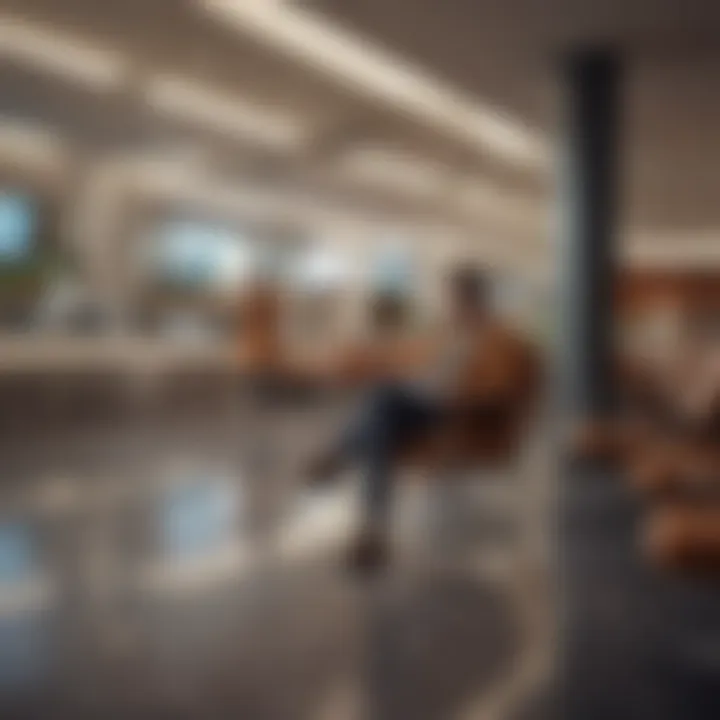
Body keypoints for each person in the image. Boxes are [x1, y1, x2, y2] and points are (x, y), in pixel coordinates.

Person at [304, 266, 529, 573]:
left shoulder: (499, 338)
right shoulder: (445, 330)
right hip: (419, 399)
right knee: (379, 426)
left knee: (381, 400)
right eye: (449, 297)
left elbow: (499, 390)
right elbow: (418, 361)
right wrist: (398, 369)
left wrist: (458, 397)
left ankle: (339, 456)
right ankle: (371, 529)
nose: (450, 304)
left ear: (474, 297)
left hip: (449, 408)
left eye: (455, 297)